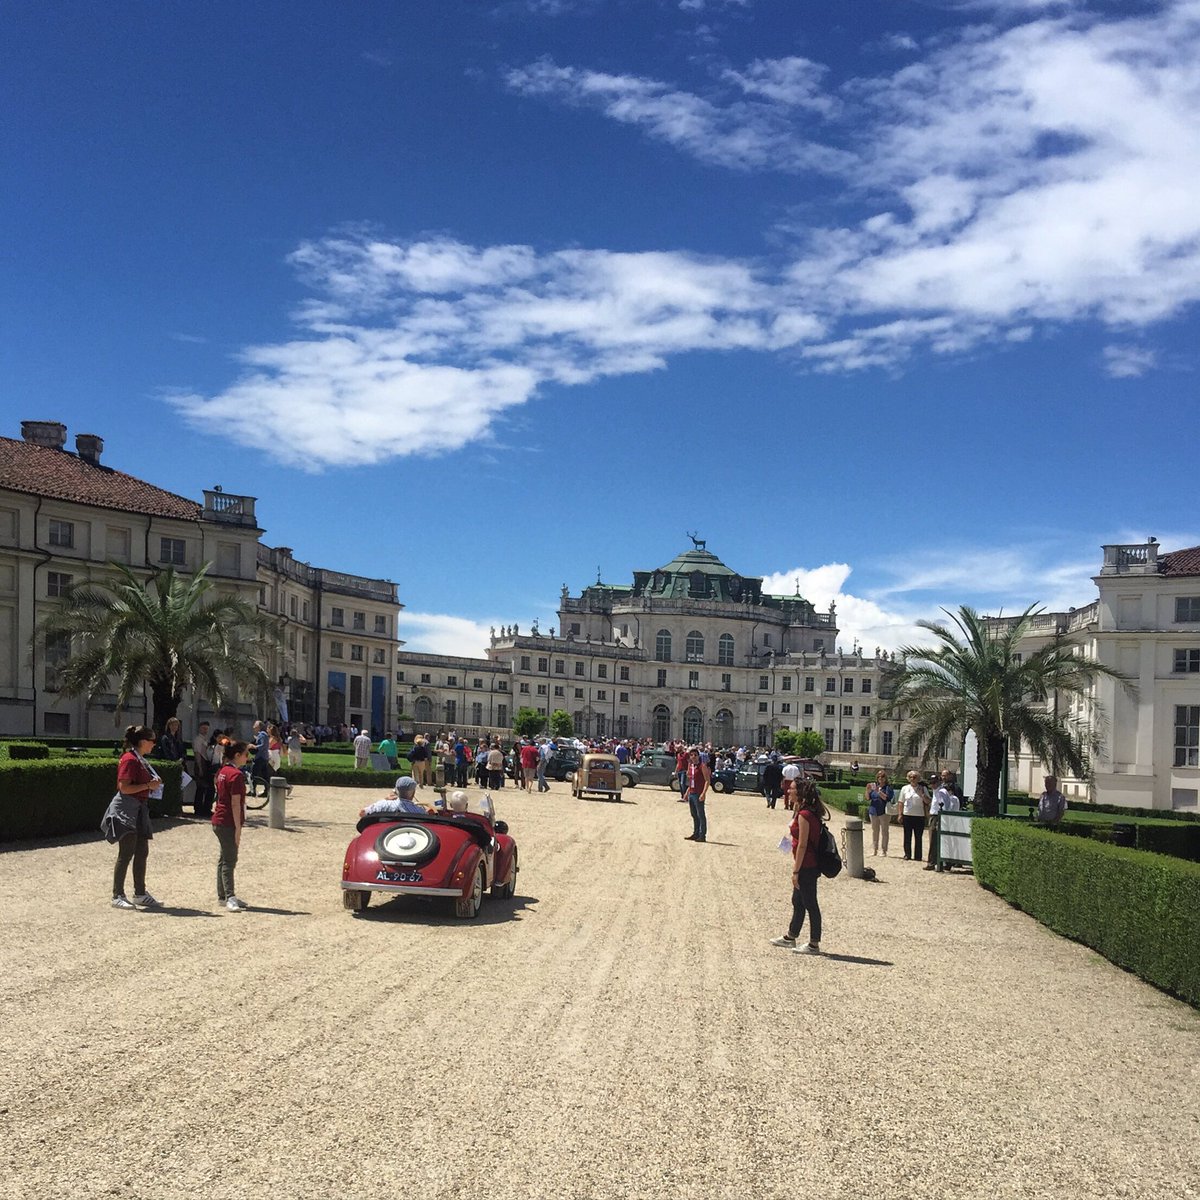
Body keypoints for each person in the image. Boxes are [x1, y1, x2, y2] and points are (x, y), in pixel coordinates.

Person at [102, 725, 164, 910]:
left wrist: (149, 786)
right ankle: (117, 895)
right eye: (152, 741)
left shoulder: (140, 759)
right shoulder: (130, 759)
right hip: (127, 809)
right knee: (126, 852)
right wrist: (148, 785)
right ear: (143, 742)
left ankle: (140, 893)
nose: (154, 744)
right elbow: (124, 788)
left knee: (142, 850)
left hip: (139, 808)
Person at [769, 780, 828, 954]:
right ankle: (791, 936)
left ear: (800, 792)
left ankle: (813, 944)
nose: (788, 790)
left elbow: (803, 844)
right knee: (798, 901)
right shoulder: (806, 811)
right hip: (807, 863)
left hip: (807, 864)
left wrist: (796, 870)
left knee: (810, 903)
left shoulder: (805, 814)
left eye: (792, 788)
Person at [213, 740, 250, 911]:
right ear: (237, 755)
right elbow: (236, 804)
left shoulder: (223, 771)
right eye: (245, 754)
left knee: (223, 858)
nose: (247, 758)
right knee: (230, 860)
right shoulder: (236, 775)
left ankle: (223, 895)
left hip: (219, 818)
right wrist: (238, 828)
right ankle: (230, 896)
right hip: (228, 820)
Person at [925, 769, 962, 869]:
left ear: (939, 782)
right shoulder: (937, 791)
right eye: (931, 782)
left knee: (935, 840)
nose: (932, 784)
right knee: (937, 840)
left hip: (937, 817)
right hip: (935, 816)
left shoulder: (941, 792)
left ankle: (933, 862)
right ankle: (941, 862)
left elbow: (945, 806)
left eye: (934, 782)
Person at [359, 776, 429, 819]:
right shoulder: (420, 811)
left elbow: (362, 813)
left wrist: (385, 799)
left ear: (396, 790)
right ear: (413, 792)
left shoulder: (383, 805)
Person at [899, 770, 930, 861]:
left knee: (918, 837)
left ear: (918, 779)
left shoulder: (923, 788)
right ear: (908, 778)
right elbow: (901, 802)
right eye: (911, 777)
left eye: (915, 777)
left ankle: (918, 856)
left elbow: (928, 801)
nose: (913, 779)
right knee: (907, 836)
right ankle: (907, 854)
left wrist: (923, 795)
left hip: (919, 815)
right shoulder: (904, 788)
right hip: (907, 815)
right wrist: (900, 814)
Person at [682, 747, 711, 843]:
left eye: (695, 755)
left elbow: (707, 780)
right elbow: (690, 781)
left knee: (700, 815)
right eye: (692, 755)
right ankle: (696, 833)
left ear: (698, 756)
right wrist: (687, 792)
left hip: (698, 793)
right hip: (691, 793)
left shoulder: (702, 766)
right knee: (694, 814)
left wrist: (703, 793)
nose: (693, 757)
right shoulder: (690, 766)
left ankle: (702, 835)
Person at [865, 770, 895, 856]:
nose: (880, 778)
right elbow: (867, 798)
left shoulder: (888, 788)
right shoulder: (874, 787)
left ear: (885, 778)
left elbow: (887, 798)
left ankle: (884, 850)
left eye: (882, 777)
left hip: (884, 812)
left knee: (884, 831)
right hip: (873, 811)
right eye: (879, 777)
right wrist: (867, 790)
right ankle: (875, 849)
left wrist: (878, 791)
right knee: (875, 831)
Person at [192, 719, 214, 818]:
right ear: (199, 728)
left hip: (206, 763)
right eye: (203, 728)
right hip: (201, 763)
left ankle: (205, 808)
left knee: (207, 787)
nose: (205, 730)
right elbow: (197, 754)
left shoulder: (205, 739)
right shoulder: (198, 740)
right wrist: (200, 767)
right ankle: (198, 809)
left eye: (206, 729)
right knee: (201, 787)